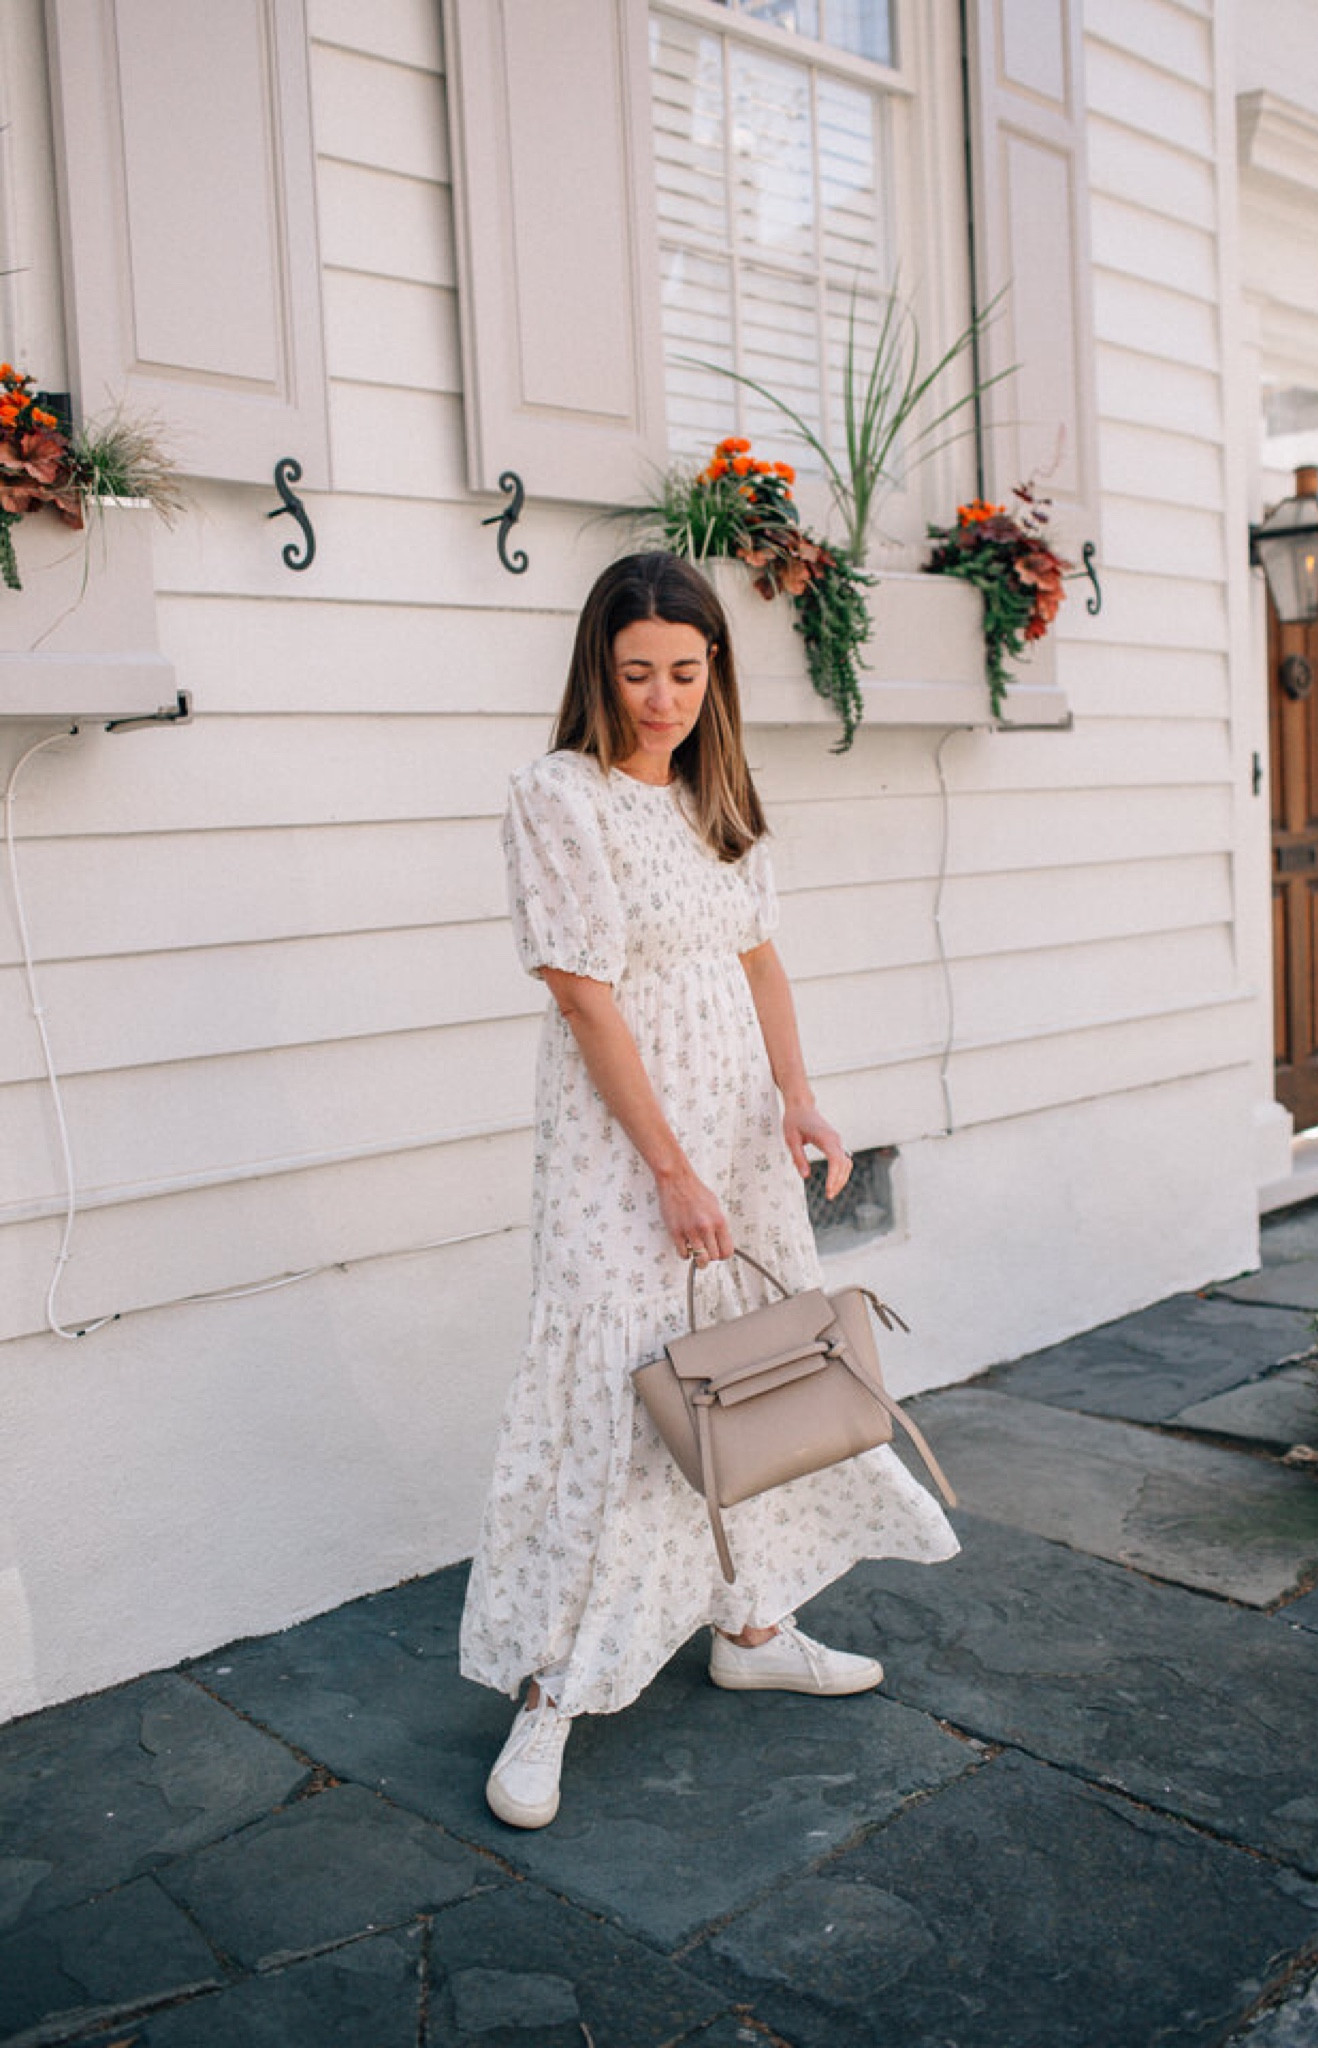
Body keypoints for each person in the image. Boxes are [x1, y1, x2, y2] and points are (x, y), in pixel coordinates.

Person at [458, 551, 959, 1829]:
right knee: (611, 1387)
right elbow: (583, 992)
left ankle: (750, 1618)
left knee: (749, 1365)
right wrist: (669, 1168)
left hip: (734, 1120)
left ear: (713, 669)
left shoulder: (712, 794)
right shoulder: (556, 796)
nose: (662, 696)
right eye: (637, 673)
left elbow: (760, 960)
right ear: (598, 670)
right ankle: (552, 1692)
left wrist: (798, 1095)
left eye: (686, 670)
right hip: (622, 1141)